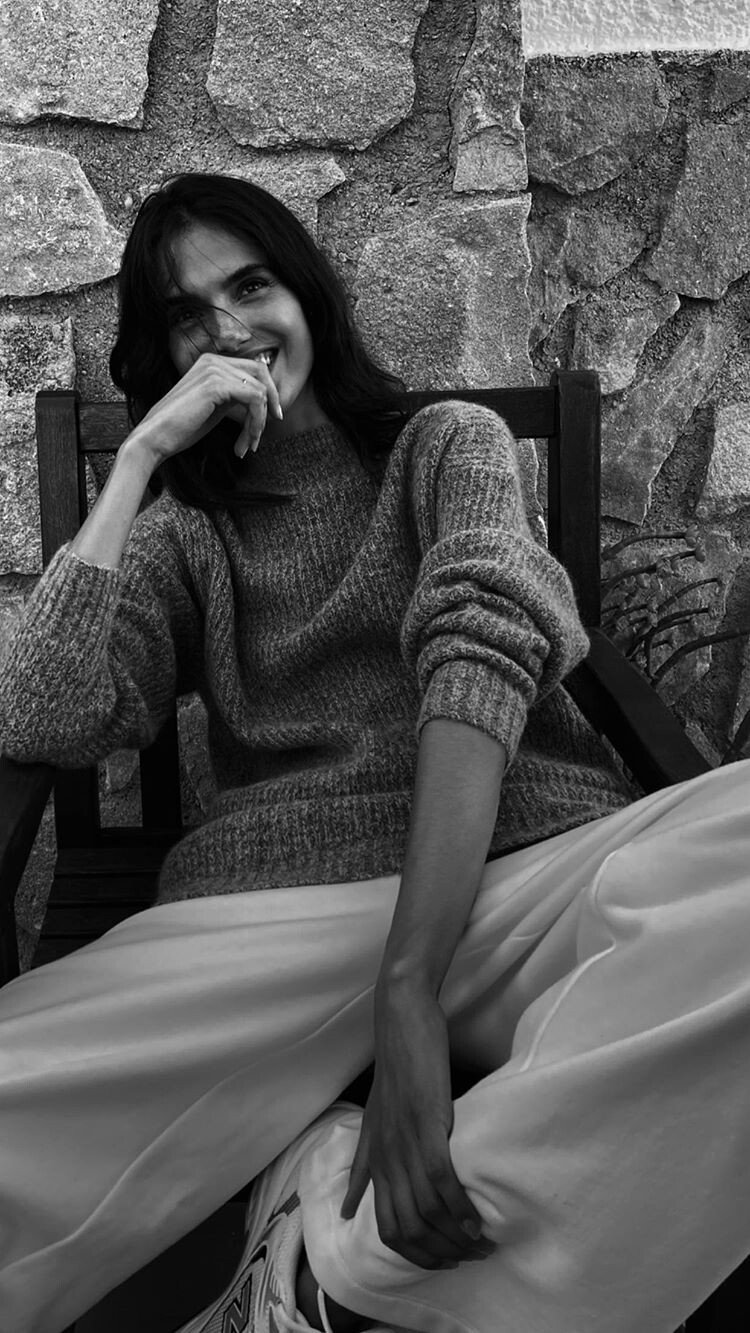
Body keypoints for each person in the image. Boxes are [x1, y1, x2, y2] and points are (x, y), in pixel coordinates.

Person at [0, 171, 748, 1333]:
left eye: (251, 286)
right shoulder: (184, 532)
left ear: (307, 291)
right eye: (189, 315)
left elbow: (480, 647)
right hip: (279, 913)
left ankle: (332, 1259)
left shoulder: (445, 445)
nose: (230, 330)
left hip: (517, 867)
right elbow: (41, 717)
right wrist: (138, 459)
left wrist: (411, 986)